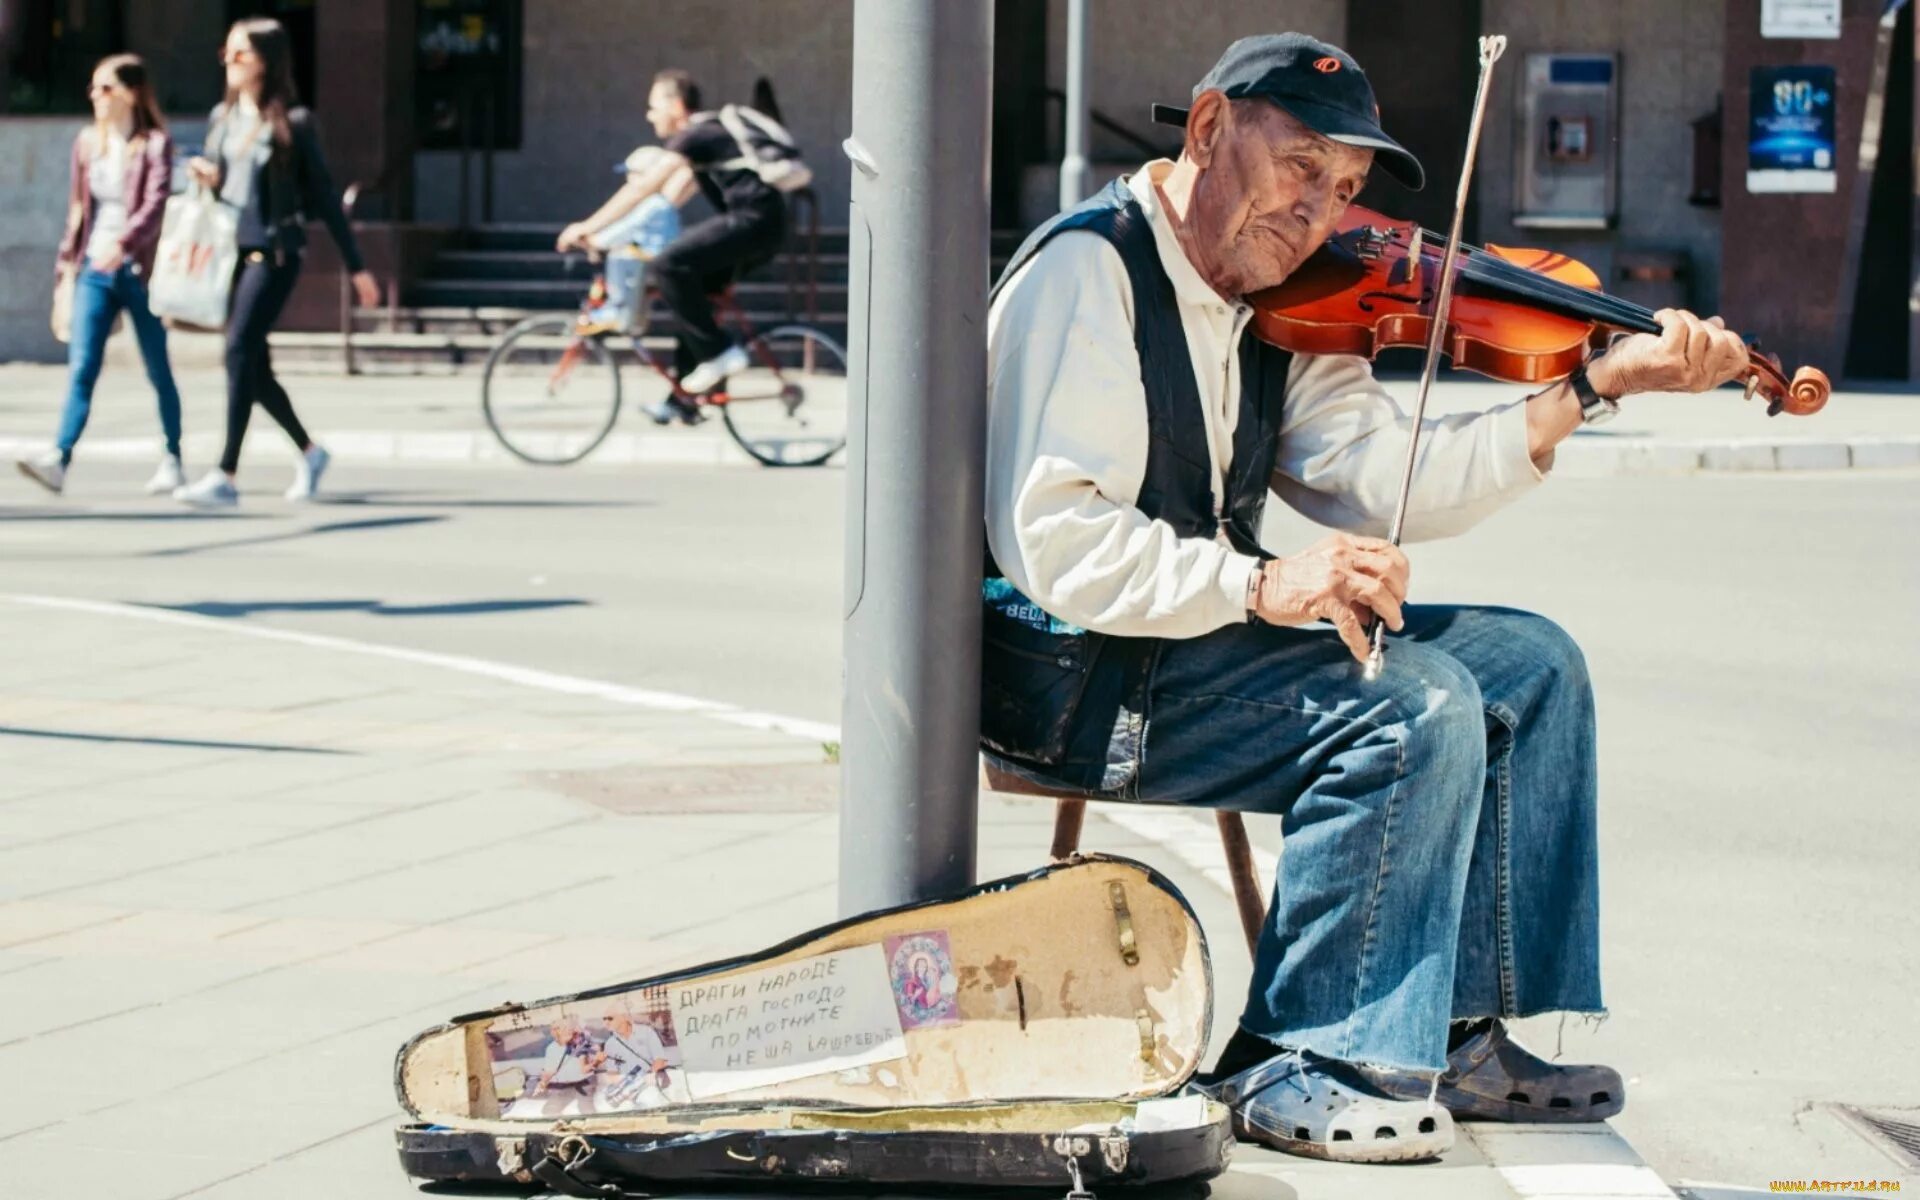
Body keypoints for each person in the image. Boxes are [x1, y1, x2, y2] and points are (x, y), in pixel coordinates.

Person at [982, 33, 1751, 1164]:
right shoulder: (1088, 272)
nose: (1322, 213)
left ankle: (1454, 1030)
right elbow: (1059, 544)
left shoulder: (1283, 299)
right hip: (1074, 677)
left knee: (1531, 665)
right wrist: (1266, 580)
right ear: (1207, 130)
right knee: (1416, 704)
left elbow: (1380, 480)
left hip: (1189, 642)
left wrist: (1587, 387)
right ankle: (1297, 1055)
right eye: (1304, 168)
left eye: (1345, 190)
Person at [173, 17, 380, 508]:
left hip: (277, 253)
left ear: (266, 61)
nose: (230, 62)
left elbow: (326, 198)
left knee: (239, 350)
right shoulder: (222, 120)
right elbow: (231, 188)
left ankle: (225, 474)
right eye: (227, 53)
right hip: (232, 253)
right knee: (252, 365)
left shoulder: (293, 123)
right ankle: (310, 452)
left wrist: (358, 266)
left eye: (241, 54)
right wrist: (209, 178)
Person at [559, 69, 790, 423]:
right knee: (691, 295)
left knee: (667, 266)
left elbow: (642, 188)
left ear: (675, 105)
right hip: (761, 227)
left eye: (654, 107)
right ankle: (686, 398)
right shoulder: (703, 143)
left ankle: (720, 353)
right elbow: (665, 200)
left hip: (752, 222)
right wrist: (608, 237)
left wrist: (587, 226)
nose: (649, 115)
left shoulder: (697, 134)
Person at [17, 54, 183, 497]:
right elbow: (77, 210)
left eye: (105, 88)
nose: (95, 96)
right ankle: (60, 456)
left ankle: (173, 457)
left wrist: (124, 245)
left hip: (139, 271)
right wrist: (66, 268)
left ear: (130, 92)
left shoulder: (154, 144)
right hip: (94, 267)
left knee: (157, 366)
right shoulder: (88, 143)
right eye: (93, 88)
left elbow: (154, 204)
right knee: (83, 366)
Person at [563, 145, 687, 337]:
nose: (629, 179)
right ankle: (629, 315)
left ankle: (618, 311)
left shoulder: (654, 203)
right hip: (653, 258)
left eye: (634, 174)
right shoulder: (658, 202)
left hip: (653, 261)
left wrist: (596, 240)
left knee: (622, 258)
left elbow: (626, 228)